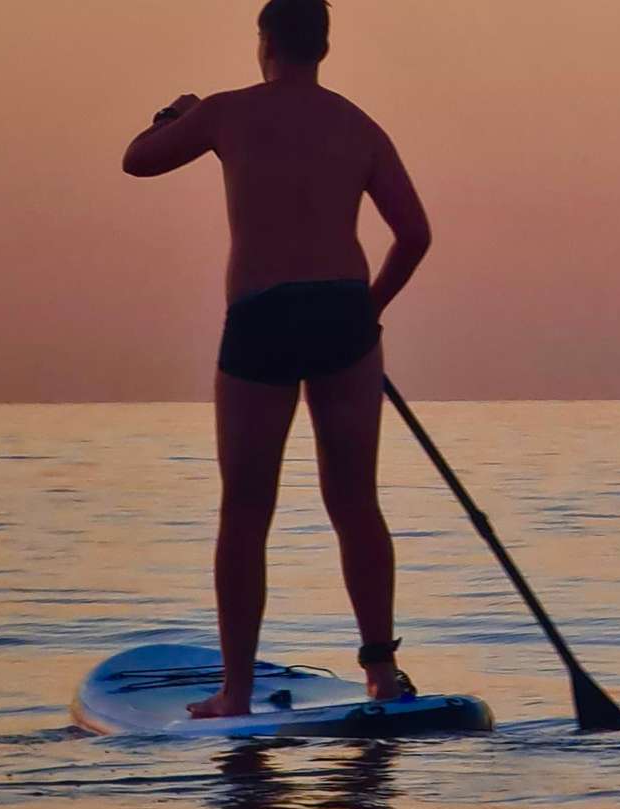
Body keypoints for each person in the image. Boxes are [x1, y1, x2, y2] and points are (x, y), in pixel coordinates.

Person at [121, 0, 431, 718]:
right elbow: (414, 234)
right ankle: (382, 673)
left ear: (265, 43)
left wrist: (178, 115)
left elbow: (136, 161)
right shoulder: (358, 125)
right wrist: (369, 307)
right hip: (342, 315)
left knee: (246, 509)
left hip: (261, 315)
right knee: (355, 502)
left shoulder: (226, 113)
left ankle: (234, 692)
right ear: (323, 47)